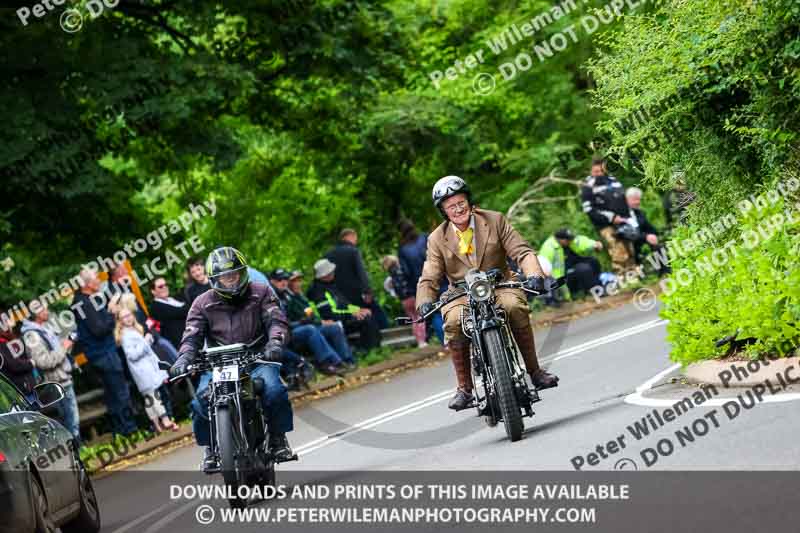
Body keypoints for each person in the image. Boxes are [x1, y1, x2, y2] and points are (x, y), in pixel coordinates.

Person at [416, 175, 559, 411]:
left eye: (461, 202)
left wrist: (534, 274)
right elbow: (430, 275)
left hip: (500, 283)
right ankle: (465, 389)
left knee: (515, 307)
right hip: (460, 293)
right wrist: (424, 302)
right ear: (444, 211)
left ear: (469, 202)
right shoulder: (436, 238)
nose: (457, 208)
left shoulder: (494, 220)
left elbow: (522, 251)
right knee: (452, 321)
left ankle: (534, 371)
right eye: (450, 206)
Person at [169, 246, 295, 472]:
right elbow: (191, 336)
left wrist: (275, 342)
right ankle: (211, 449)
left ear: (242, 272)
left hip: (257, 358)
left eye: (234, 275)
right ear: (214, 279)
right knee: (200, 401)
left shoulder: (261, 291)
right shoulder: (201, 303)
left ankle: (278, 439)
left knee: (274, 390)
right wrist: (183, 359)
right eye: (224, 277)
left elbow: (277, 321)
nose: (230, 281)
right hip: (219, 364)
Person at [72, 268, 138, 437]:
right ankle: (129, 430)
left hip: (101, 354)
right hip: (103, 354)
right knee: (120, 392)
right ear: (87, 284)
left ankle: (120, 430)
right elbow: (99, 330)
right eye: (95, 278)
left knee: (113, 394)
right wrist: (111, 312)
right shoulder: (84, 303)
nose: (99, 282)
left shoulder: (86, 300)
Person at [270, 268, 351, 375]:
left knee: (333, 328)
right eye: (280, 280)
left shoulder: (287, 295)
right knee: (310, 329)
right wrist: (301, 322)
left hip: (299, 327)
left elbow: (304, 313)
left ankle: (347, 361)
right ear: (272, 281)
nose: (284, 282)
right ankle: (328, 364)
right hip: (285, 335)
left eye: (285, 279)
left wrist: (309, 319)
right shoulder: (271, 297)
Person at [21, 304, 81, 440]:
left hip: (63, 378)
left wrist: (67, 343)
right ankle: (76, 454)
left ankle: (78, 453)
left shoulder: (45, 329)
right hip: (55, 383)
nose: (47, 310)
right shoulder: (32, 336)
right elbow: (44, 362)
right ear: (36, 314)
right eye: (44, 308)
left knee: (73, 421)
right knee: (69, 423)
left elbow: (58, 350)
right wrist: (63, 347)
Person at [115, 307, 179, 433]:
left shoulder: (134, 330)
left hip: (148, 368)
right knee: (154, 396)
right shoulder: (126, 336)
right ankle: (165, 420)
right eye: (124, 317)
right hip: (143, 370)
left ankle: (156, 424)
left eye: (129, 315)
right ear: (120, 321)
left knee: (149, 398)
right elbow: (132, 355)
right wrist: (145, 342)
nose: (128, 318)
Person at [307, 258, 382, 352]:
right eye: (331, 271)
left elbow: (345, 304)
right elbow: (330, 314)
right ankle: (369, 350)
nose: (333, 272)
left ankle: (376, 349)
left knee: (367, 314)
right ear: (326, 274)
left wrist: (359, 310)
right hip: (336, 322)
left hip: (344, 318)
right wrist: (351, 314)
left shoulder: (330, 285)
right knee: (365, 320)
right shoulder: (317, 291)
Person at [286, 270, 356, 366]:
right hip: (300, 330)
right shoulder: (289, 299)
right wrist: (321, 322)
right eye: (295, 281)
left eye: (299, 280)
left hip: (313, 324)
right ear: (289, 284)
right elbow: (302, 319)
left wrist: (321, 321)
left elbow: (311, 314)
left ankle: (348, 360)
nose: (298, 284)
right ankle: (336, 363)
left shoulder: (300, 296)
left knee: (335, 328)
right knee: (316, 329)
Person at [581, 157, 636, 276]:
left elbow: (623, 199)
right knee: (617, 249)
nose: (599, 174)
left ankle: (633, 277)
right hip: (604, 224)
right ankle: (622, 277)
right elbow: (589, 210)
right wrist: (611, 218)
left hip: (623, 220)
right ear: (591, 171)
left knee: (629, 248)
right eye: (596, 172)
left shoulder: (613, 180)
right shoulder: (588, 185)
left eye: (601, 171)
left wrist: (627, 217)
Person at [325, 229, 389, 329]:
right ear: (351, 236)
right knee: (377, 311)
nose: (356, 241)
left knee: (351, 316)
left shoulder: (328, 255)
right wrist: (367, 291)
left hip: (339, 296)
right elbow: (361, 273)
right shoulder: (353, 251)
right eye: (355, 239)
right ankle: (387, 332)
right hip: (357, 292)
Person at [538, 228, 603, 300]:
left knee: (593, 261)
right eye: (568, 240)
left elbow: (582, 241)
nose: (571, 241)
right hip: (562, 276)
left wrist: (594, 244)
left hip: (574, 265)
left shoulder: (570, 241)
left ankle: (599, 286)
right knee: (584, 269)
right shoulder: (549, 247)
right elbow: (543, 265)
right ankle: (589, 293)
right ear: (561, 239)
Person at [381, 255, 427, 347]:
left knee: (414, 320)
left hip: (404, 300)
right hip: (412, 296)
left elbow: (388, 288)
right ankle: (423, 340)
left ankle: (419, 341)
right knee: (420, 318)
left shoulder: (391, 277)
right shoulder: (402, 271)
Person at [626, 187, 671, 276]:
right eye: (635, 200)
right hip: (630, 241)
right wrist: (646, 236)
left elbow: (649, 227)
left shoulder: (639, 212)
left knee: (658, 245)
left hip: (642, 238)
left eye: (638, 199)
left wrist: (656, 234)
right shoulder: (623, 213)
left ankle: (665, 272)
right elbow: (628, 233)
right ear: (627, 199)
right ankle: (642, 274)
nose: (637, 202)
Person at [0, 319, 37, 404]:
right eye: (6, 320)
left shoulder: (8, 339)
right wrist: (31, 363)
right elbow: (15, 365)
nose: (10, 321)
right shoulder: (2, 343)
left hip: (25, 387)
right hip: (22, 389)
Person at [149, 277, 190, 351]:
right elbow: (181, 312)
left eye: (166, 285)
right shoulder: (155, 307)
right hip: (181, 345)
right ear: (153, 291)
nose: (164, 288)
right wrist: (187, 308)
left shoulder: (174, 299)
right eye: (160, 286)